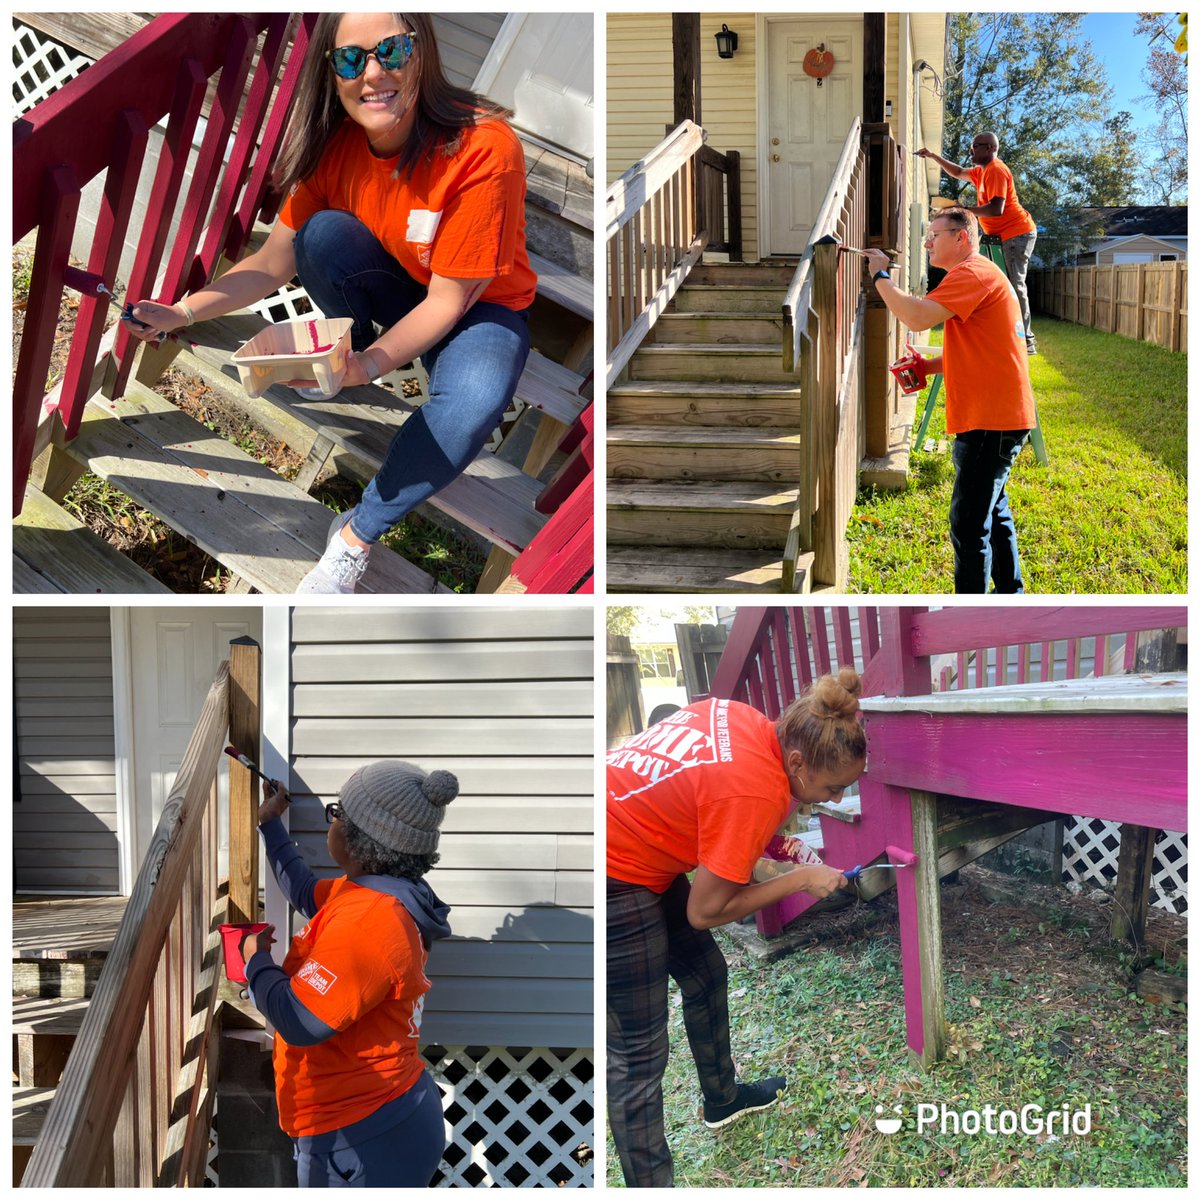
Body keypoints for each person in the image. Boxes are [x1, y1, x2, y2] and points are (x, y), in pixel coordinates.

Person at [127, 13, 536, 593]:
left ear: (422, 54)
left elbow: (448, 302)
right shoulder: (335, 145)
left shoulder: (483, 148)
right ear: (330, 73)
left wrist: (366, 368)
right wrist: (183, 313)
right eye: (350, 59)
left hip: (478, 308)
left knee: (472, 403)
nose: (372, 73)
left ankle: (355, 537)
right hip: (403, 285)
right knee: (320, 235)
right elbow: (273, 263)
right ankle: (361, 348)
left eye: (391, 51)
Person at [606, 671, 865, 1187]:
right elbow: (705, 911)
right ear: (797, 762)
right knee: (639, 1054)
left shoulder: (747, 720)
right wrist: (801, 879)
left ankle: (723, 1100)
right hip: (609, 869)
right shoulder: (755, 793)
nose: (836, 799)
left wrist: (777, 850)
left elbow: (710, 804)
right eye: (833, 787)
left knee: (705, 973)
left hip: (636, 844)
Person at [242, 759, 459, 1186]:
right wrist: (270, 825)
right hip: (374, 1119)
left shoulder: (370, 922)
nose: (333, 820)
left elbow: (300, 1020)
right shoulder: (373, 891)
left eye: (338, 812)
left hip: (361, 1136)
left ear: (360, 839)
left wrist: (254, 962)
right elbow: (306, 891)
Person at [863, 208, 1036, 594]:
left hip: (991, 421)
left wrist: (880, 275)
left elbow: (917, 317)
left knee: (968, 525)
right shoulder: (982, 275)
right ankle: (1011, 594)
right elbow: (985, 348)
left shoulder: (971, 272)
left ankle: (975, 609)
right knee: (994, 512)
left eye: (933, 235)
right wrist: (929, 366)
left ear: (961, 237)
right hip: (1001, 416)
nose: (926, 242)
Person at [918, 131, 1038, 353]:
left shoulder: (996, 170)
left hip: (1017, 233)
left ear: (990, 149)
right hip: (998, 236)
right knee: (989, 280)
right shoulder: (980, 172)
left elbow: (996, 208)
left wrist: (964, 211)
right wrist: (934, 156)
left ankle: (1026, 340)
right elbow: (957, 172)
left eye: (975, 146)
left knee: (1014, 284)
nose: (970, 150)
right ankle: (998, 327)